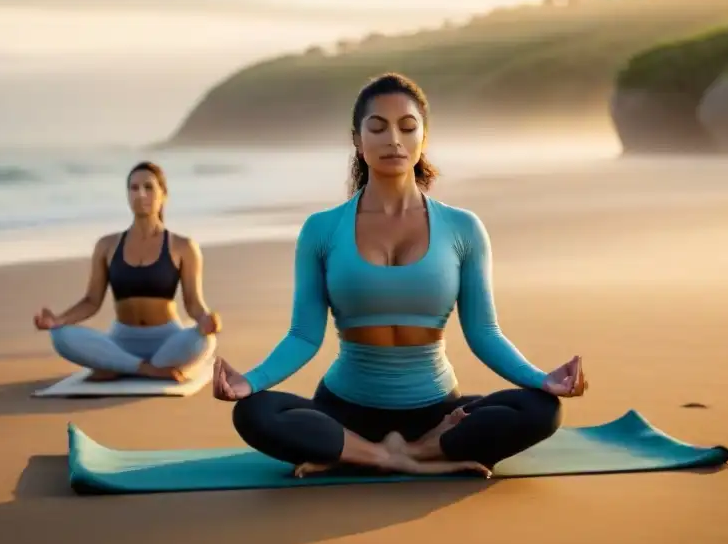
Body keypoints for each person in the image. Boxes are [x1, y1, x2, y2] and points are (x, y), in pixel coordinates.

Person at [213, 73, 587, 478]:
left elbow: (484, 332)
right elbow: (304, 335)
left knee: (541, 409)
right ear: (357, 139)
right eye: (378, 127)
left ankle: (412, 448)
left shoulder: (462, 228)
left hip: (436, 412)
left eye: (407, 128)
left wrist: (540, 379)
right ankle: (391, 456)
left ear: (423, 139)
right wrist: (250, 382)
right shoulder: (322, 229)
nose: (393, 139)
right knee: (254, 412)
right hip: (344, 411)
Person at [33, 161, 221, 382]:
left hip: (167, 340)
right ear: (127, 195)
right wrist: (58, 320)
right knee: (60, 336)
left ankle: (118, 366)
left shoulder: (183, 246)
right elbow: (92, 301)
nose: (140, 194)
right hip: (121, 340)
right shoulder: (107, 245)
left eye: (148, 187)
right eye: (134, 188)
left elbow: (193, 304)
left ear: (164, 195)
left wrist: (207, 319)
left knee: (204, 340)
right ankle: (146, 369)